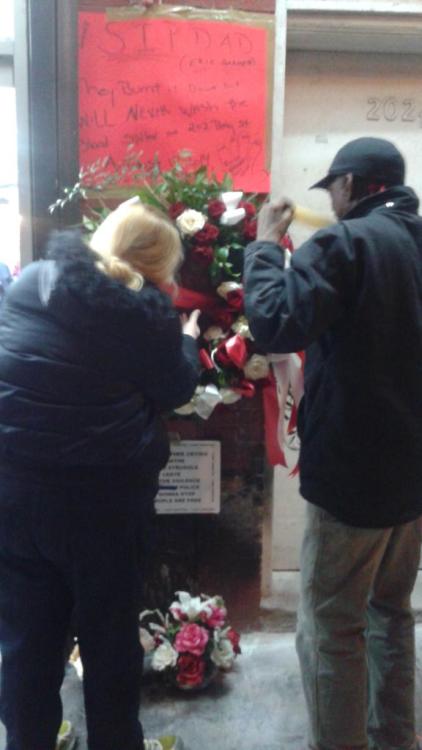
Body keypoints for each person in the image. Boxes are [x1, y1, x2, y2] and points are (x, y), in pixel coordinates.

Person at [0, 198, 201, 750]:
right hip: (102, 509)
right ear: (158, 266)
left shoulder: (33, 280)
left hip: (14, 496)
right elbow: (177, 388)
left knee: (25, 644)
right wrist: (186, 335)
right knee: (110, 644)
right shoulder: (146, 317)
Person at [243, 137, 422, 750]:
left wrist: (266, 245)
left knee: (330, 629)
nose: (332, 201)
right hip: (412, 481)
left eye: (334, 189)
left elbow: (274, 321)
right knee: (390, 617)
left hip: (353, 478)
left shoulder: (347, 244)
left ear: (352, 184)